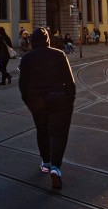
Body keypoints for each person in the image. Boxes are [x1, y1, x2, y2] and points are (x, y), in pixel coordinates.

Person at [18, 27, 77, 190]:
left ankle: (46, 162)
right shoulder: (59, 55)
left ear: (33, 41)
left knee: (42, 131)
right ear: (48, 40)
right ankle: (56, 169)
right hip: (59, 100)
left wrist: (29, 102)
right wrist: (69, 100)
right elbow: (70, 82)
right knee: (58, 134)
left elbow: (22, 85)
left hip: (37, 102)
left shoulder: (27, 59)